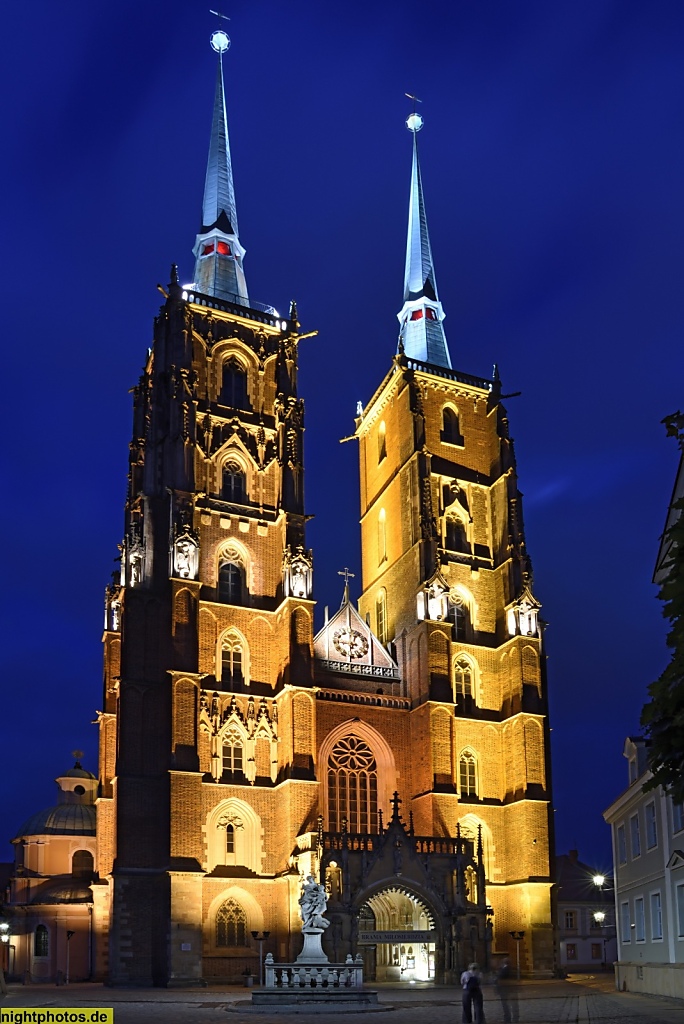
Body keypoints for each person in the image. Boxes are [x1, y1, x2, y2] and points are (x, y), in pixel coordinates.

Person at [494, 958, 519, 1023]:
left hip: (505, 990)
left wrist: (496, 979)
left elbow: (500, 978)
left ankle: (507, 1019)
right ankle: (514, 1018)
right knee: (513, 1005)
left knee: (506, 1005)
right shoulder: (513, 969)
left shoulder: (504, 969)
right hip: (511, 989)